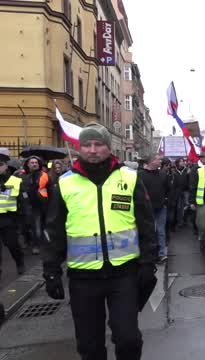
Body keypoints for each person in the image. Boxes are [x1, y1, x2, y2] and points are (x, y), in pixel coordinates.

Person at [42, 122, 158, 360]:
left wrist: (148, 262)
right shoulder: (65, 183)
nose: (92, 150)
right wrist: (51, 271)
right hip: (83, 278)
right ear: (79, 148)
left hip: (124, 274)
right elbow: (53, 231)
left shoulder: (129, 177)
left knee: (128, 339)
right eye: (86, 145)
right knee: (89, 346)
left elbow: (146, 223)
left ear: (109, 147)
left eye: (98, 144)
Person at [138, 154, 169, 263]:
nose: (160, 161)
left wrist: (165, 200)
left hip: (161, 207)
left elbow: (167, 189)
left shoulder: (162, 174)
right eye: (158, 159)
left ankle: (161, 254)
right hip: (146, 208)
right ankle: (150, 254)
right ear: (151, 161)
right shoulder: (140, 175)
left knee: (160, 231)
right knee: (149, 231)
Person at [0, 148, 26, 277]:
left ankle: (19, 262)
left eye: (0, 165)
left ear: (5, 166)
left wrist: (21, 220)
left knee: (12, 244)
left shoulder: (15, 181)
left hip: (9, 219)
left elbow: (22, 201)